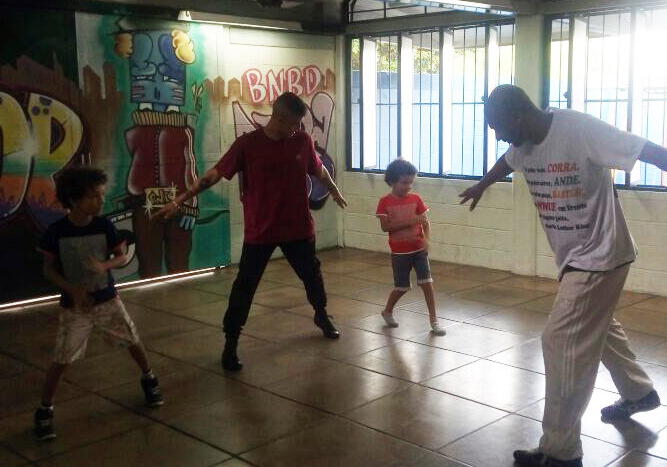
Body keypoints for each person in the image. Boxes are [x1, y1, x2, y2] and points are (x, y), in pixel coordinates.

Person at [459, 85, 667, 467]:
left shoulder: (580, 130)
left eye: (498, 127)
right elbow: (508, 161)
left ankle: (560, 452)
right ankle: (639, 393)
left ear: (518, 117)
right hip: (580, 258)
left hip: (600, 257)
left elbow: (650, 152)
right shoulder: (523, 143)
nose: (498, 136)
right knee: (597, 327)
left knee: (560, 341)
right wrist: (482, 185)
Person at [153, 92, 347, 372]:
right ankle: (231, 342)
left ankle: (321, 314)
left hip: (298, 229)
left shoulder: (302, 141)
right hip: (261, 231)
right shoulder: (247, 144)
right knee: (244, 287)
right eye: (294, 123)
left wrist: (335, 191)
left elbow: (319, 171)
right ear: (279, 117)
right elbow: (213, 175)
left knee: (312, 278)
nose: (297, 128)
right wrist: (179, 200)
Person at [34, 166, 163, 442]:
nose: (101, 201)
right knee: (62, 356)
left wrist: (104, 265)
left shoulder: (103, 226)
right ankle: (45, 409)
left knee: (131, 339)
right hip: (75, 308)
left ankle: (149, 378)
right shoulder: (57, 232)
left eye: (102, 195)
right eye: (94, 196)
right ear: (73, 199)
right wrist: (71, 288)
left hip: (107, 300)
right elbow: (48, 269)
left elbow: (122, 255)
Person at [375, 158, 445, 336]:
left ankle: (434, 320)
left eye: (411, 182)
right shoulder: (384, 202)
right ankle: (387, 311)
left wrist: (427, 240)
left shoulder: (416, 199)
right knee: (402, 287)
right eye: (404, 182)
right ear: (392, 181)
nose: (408, 186)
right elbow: (385, 227)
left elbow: (425, 222)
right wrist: (411, 220)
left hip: (419, 250)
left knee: (427, 283)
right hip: (399, 253)